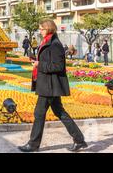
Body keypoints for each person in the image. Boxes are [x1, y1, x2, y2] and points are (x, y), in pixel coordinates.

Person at [19, 19, 87, 153]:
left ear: (48, 29)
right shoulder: (48, 42)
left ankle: (33, 145)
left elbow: (58, 66)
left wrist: (40, 65)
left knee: (39, 113)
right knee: (59, 112)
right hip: (48, 84)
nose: (40, 31)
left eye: (42, 29)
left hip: (50, 85)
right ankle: (79, 140)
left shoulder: (54, 44)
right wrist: (37, 61)